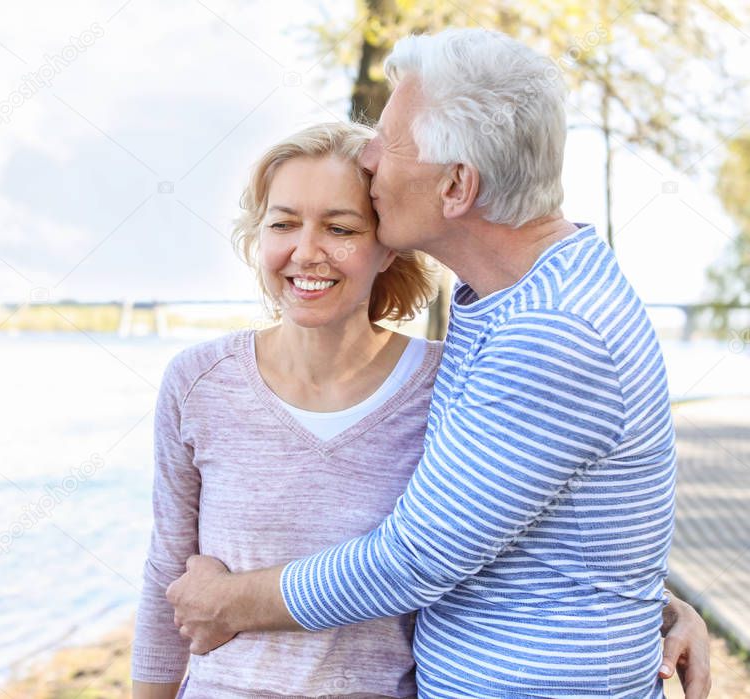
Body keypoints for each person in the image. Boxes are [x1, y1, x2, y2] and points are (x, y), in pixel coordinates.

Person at [166, 29, 712, 698]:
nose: (368, 157)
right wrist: (653, 605)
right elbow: (544, 520)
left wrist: (224, 603)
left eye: (390, 142)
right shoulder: (506, 297)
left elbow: (414, 558)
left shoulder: (553, 330)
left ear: (456, 185)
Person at [132, 121, 440, 697]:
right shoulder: (197, 381)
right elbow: (165, 574)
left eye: (340, 228)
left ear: (387, 244)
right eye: (283, 223)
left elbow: (526, 547)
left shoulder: (448, 384)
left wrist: (656, 604)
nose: (306, 252)